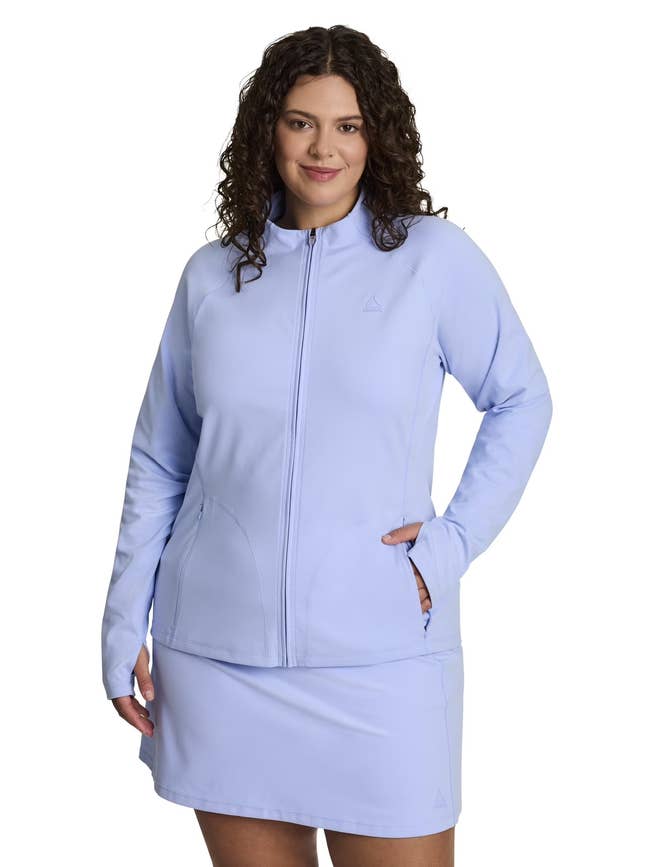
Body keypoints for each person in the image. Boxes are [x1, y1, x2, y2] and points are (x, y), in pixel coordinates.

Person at [100, 24, 552, 867]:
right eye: (301, 122)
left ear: (376, 137)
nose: (323, 148)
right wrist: (125, 617)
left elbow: (522, 399)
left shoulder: (433, 261)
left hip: (383, 658)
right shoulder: (213, 277)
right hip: (218, 659)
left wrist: (449, 545)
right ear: (267, 129)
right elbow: (161, 457)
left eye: (347, 126)